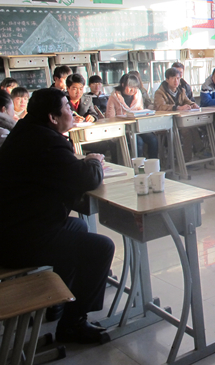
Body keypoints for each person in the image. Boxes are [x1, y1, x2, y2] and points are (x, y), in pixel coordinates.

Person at [0, 88, 114, 344]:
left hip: (14, 229)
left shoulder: (26, 131)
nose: (71, 112)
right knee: (102, 247)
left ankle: (59, 301)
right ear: (52, 117)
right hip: (20, 240)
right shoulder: (46, 142)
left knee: (77, 227)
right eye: (66, 108)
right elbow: (86, 179)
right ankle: (73, 324)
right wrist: (93, 161)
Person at [107, 73, 158, 159]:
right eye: (130, 87)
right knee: (138, 142)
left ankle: (152, 164)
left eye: (135, 87)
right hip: (123, 130)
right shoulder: (114, 97)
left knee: (153, 139)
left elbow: (140, 110)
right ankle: (137, 165)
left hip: (138, 127)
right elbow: (110, 117)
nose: (133, 90)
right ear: (123, 85)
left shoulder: (138, 94)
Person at [155, 67, 200, 162]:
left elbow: (187, 100)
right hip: (167, 123)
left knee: (194, 126)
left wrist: (193, 104)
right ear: (167, 79)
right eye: (173, 78)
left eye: (178, 78)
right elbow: (160, 107)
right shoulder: (160, 92)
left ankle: (199, 151)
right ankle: (187, 159)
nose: (176, 81)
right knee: (187, 131)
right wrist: (177, 108)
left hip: (179, 121)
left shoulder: (181, 91)